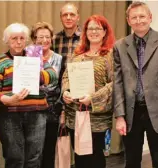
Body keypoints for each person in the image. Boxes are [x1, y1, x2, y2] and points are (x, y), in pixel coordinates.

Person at [114, 2, 158, 168]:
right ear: (128, 21)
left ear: (150, 17)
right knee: (131, 162)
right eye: (134, 17)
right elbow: (117, 83)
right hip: (131, 113)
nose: (138, 20)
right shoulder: (119, 46)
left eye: (142, 16)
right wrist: (120, 116)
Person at [0, 23, 57, 168]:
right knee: (15, 159)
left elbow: (53, 75)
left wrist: (35, 75)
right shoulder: (0, 62)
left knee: (34, 158)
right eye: (14, 38)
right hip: (9, 116)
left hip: (37, 115)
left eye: (22, 38)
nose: (19, 42)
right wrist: (8, 100)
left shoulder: (35, 57)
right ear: (7, 40)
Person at [62, 15, 115, 168]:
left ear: (105, 32)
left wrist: (92, 98)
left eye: (97, 28)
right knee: (79, 157)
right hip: (75, 116)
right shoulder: (77, 55)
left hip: (97, 119)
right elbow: (66, 76)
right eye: (90, 28)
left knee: (95, 158)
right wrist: (66, 92)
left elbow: (115, 84)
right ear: (85, 32)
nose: (93, 32)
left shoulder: (111, 56)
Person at [30, 21, 63, 168]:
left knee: (49, 149)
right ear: (34, 39)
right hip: (32, 109)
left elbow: (62, 84)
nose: (44, 40)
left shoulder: (59, 58)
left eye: (47, 37)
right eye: (40, 37)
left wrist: (62, 110)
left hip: (52, 109)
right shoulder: (27, 55)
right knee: (33, 151)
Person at [52, 3, 81, 86]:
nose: (68, 18)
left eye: (72, 15)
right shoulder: (53, 40)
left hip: (79, 87)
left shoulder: (86, 39)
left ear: (78, 18)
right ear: (61, 18)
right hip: (58, 90)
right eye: (65, 15)